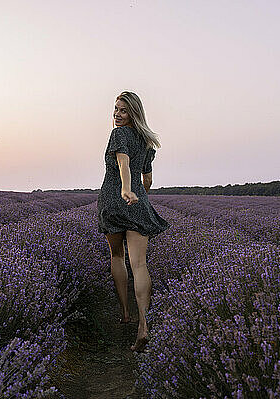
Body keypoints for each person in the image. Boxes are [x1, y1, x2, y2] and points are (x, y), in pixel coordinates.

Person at [97, 91, 170, 352]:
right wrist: (137, 192)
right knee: (140, 264)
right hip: (138, 204)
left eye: (123, 110)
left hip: (115, 202)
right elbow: (147, 181)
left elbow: (122, 163)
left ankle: (125, 313)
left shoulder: (119, 135)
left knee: (117, 256)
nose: (117, 114)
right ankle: (144, 325)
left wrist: (125, 189)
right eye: (116, 109)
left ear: (133, 113)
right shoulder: (147, 142)